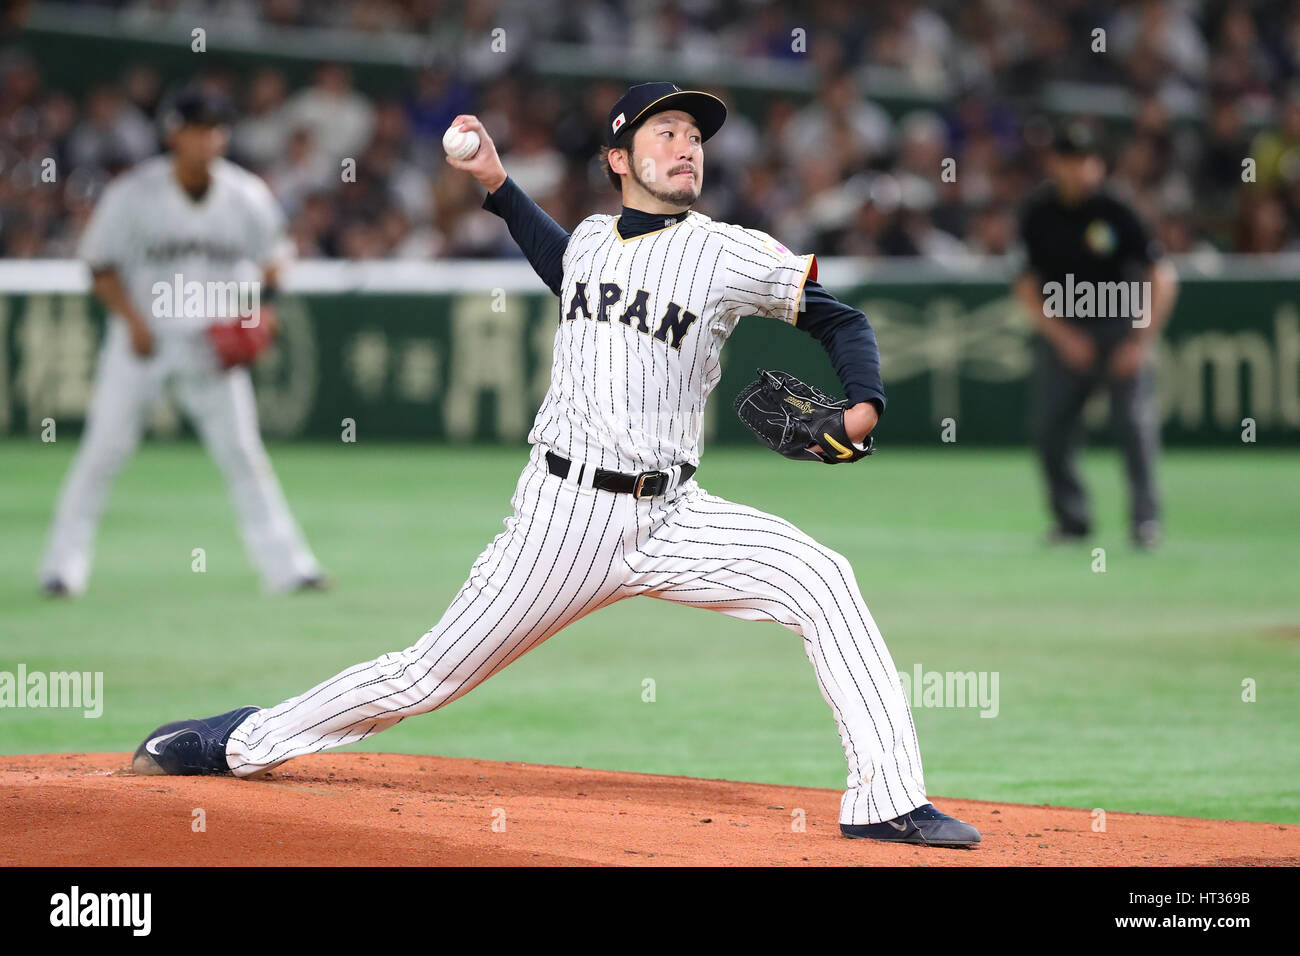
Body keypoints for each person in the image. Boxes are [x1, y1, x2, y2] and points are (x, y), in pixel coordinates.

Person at [131, 83, 979, 848]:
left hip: (678, 515)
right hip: (562, 518)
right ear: (619, 159)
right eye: (667, 132)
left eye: (696, 135)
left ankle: (886, 800)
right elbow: (556, 254)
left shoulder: (726, 251)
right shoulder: (590, 243)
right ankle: (239, 741)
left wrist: (863, 406)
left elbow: (842, 322)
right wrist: (496, 185)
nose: (688, 147)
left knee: (824, 580)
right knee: (424, 676)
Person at [39, 87, 326, 596]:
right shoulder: (134, 193)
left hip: (211, 349)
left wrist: (264, 308)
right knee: (102, 453)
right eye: (197, 127)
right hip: (140, 344)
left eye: (216, 128)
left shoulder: (245, 194)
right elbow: (99, 266)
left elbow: (277, 259)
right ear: (174, 134)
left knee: (243, 456)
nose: (208, 138)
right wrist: (134, 322)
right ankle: (63, 569)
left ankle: (290, 569)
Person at [1014, 121, 1179, 549]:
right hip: (1066, 331)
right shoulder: (1039, 212)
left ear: (1098, 164)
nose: (1077, 169)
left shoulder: (1118, 209)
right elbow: (1027, 285)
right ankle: (1072, 521)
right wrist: (1062, 336)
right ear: (1055, 163)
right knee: (1050, 430)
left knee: (1135, 428)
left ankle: (1146, 522)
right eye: (1068, 159)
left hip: (1120, 328)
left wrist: (1140, 340)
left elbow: (1162, 277)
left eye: (1085, 160)